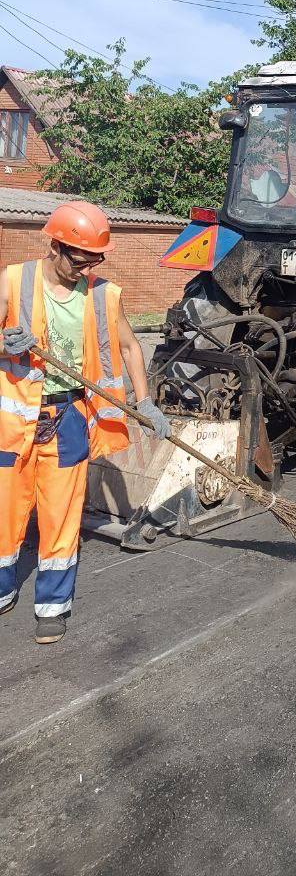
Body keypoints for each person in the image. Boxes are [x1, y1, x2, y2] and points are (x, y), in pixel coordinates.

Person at [0, 201, 171, 645]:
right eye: (82, 257)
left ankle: (52, 606)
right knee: (4, 514)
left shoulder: (99, 295)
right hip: (13, 420)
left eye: (96, 258)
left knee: (61, 515)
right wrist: (6, 345)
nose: (89, 266)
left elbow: (132, 348)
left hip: (68, 417)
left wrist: (146, 402)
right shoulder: (14, 281)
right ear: (56, 247)